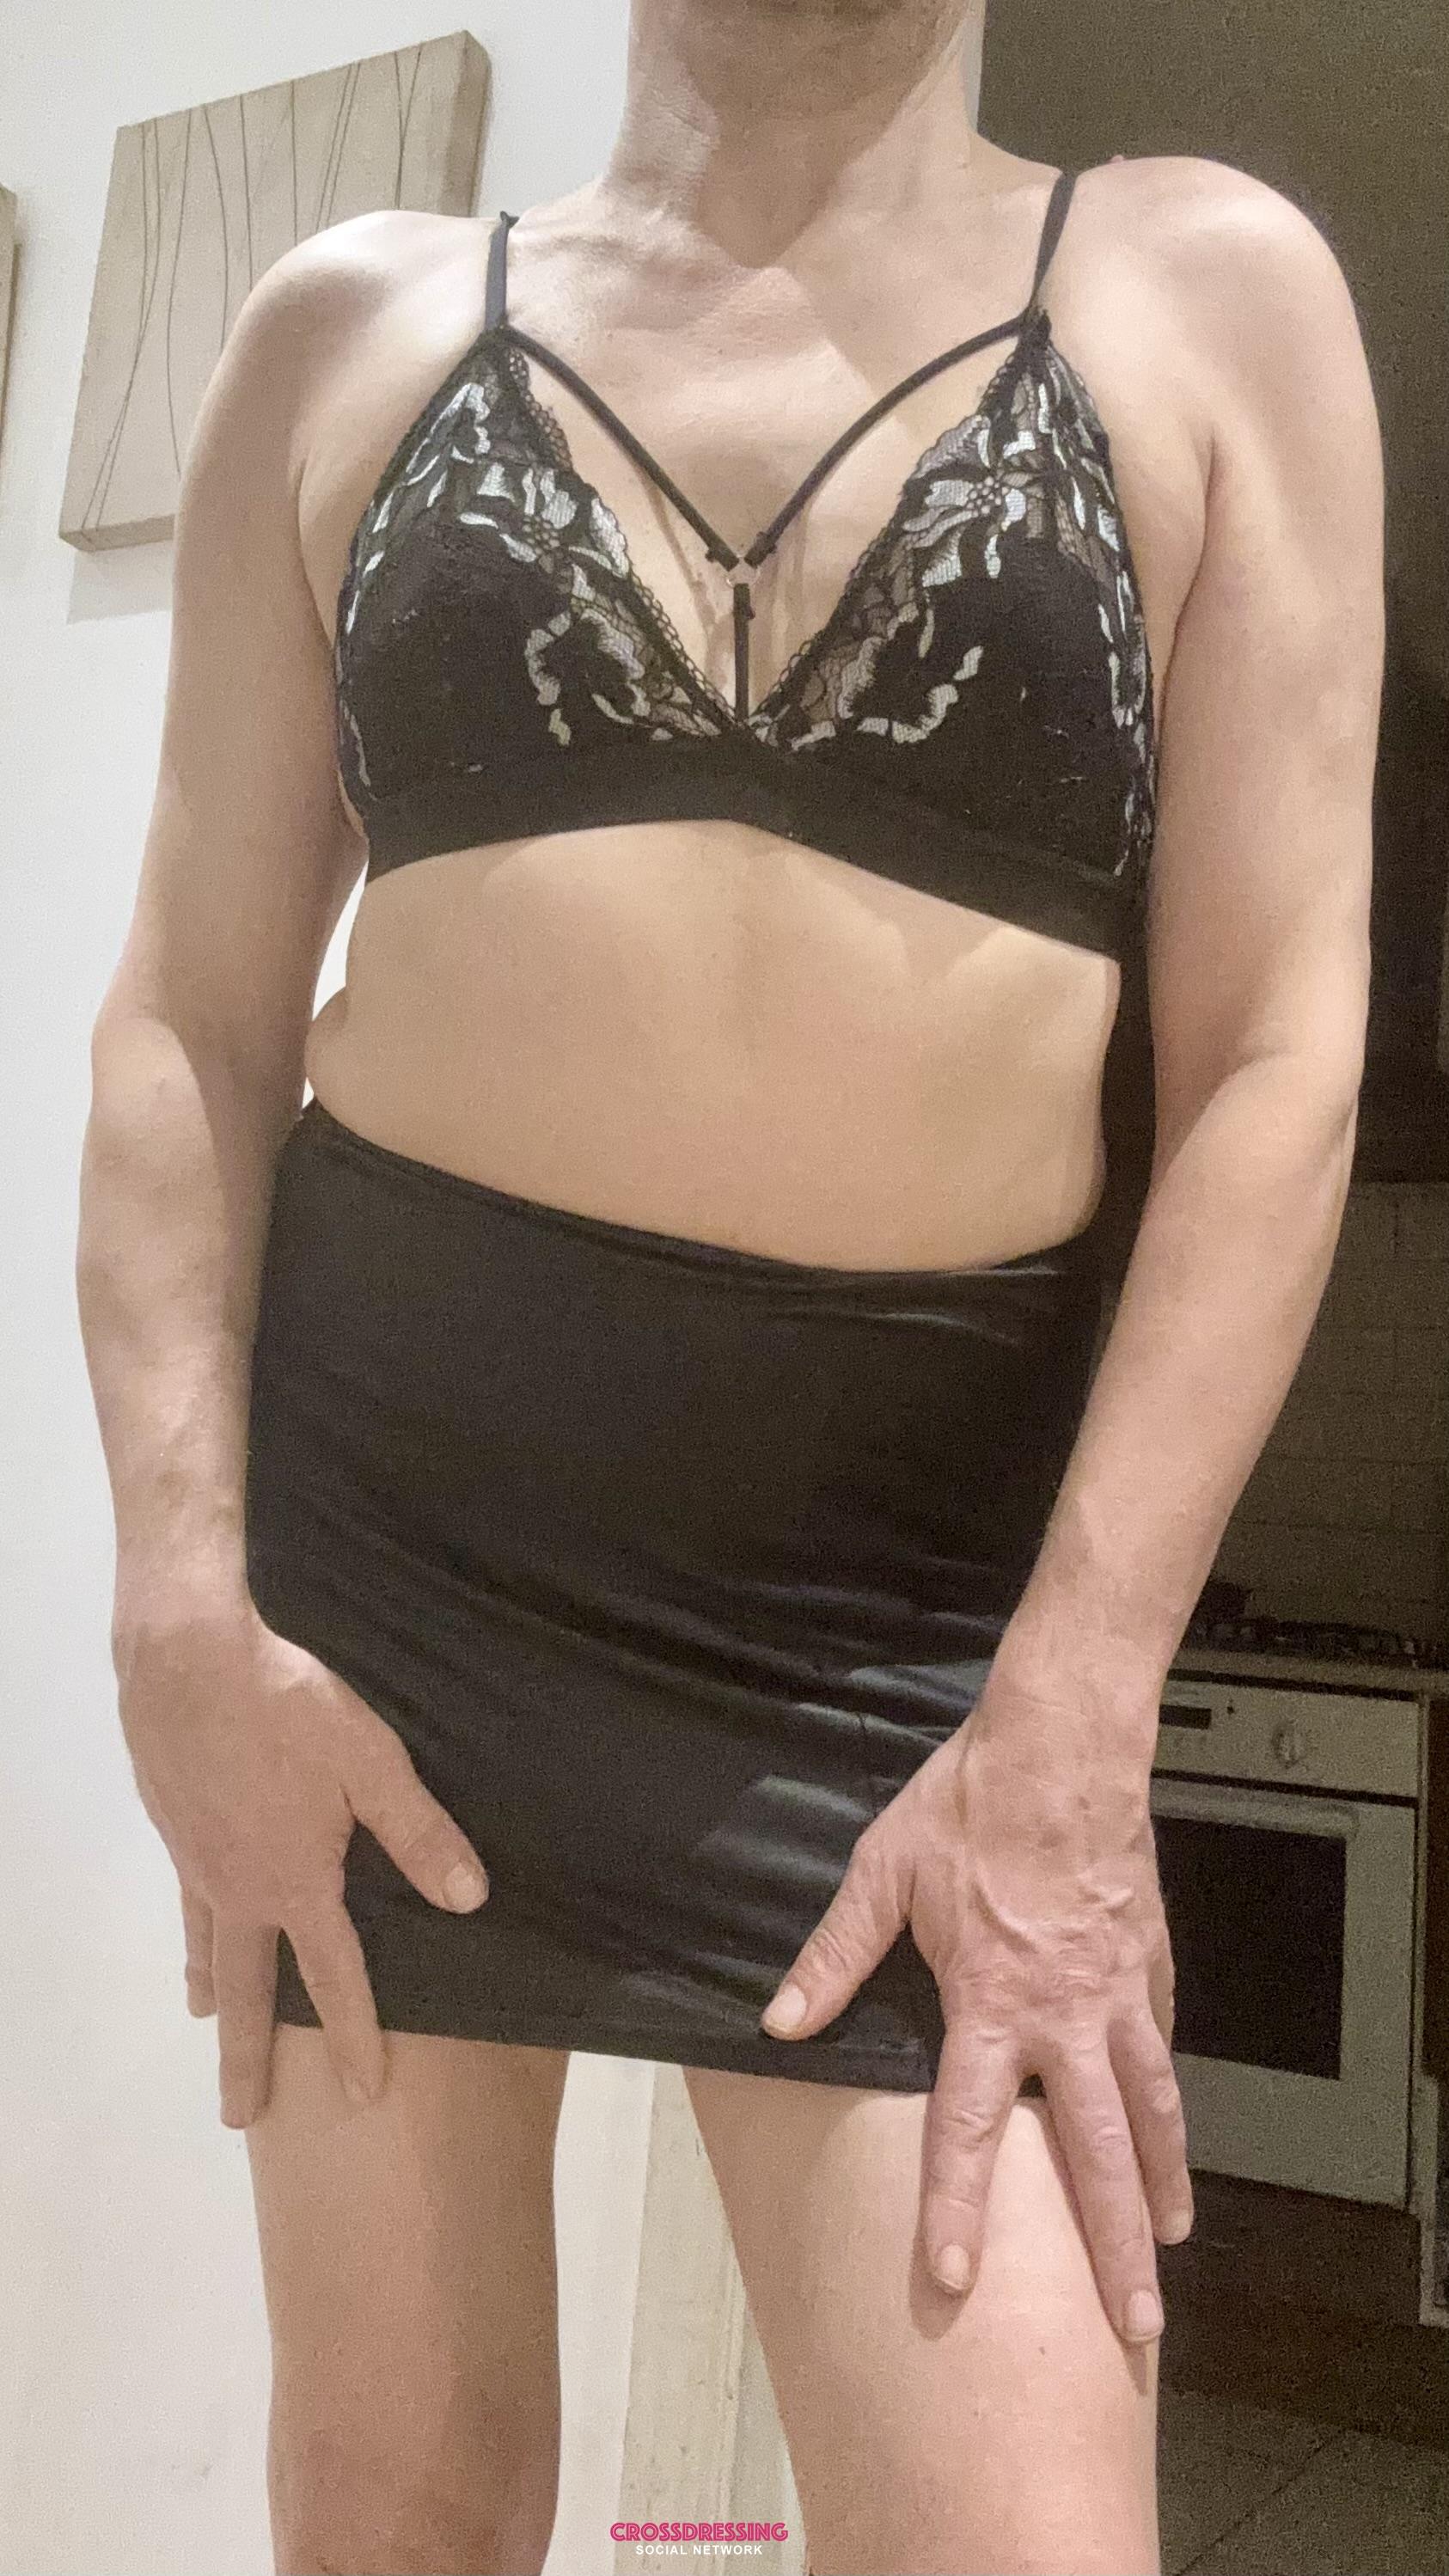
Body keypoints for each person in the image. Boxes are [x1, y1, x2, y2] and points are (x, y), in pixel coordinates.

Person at [74, 0, 1384, 2567]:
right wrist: (175, 1609)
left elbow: (1275, 1063)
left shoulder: (1203, 289)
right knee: (393, 2508)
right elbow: (187, 1025)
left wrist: (1082, 1704)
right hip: (393, 1584)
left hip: (912, 1624)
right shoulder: (350, 325)